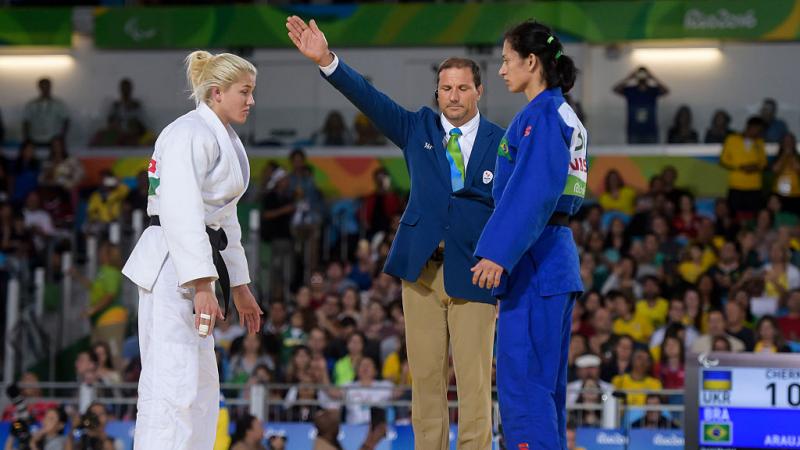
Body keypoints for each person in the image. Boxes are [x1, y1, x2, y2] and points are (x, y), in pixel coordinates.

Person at [287, 16, 504, 450]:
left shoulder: (503, 141)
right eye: (446, 88)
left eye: (463, 87)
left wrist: (503, 259)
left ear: (480, 91)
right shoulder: (417, 128)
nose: (454, 96)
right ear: (437, 92)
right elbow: (369, 98)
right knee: (424, 381)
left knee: (474, 383)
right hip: (420, 271)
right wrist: (327, 60)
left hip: (475, 271)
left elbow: (511, 210)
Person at [121, 50, 263, 450]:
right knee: (173, 382)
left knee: (200, 385)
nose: (251, 101)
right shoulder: (187, 133)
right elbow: (180, 210)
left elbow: (224, 220)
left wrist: (239, 285)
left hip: (196, 263)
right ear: (217, 92)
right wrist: (203, 283)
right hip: (173, 267)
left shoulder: (220, 136)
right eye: (245, 91)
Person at [470, 21, 586, 449]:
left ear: (531, 61)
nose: (500, 70)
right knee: (544, 386)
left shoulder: (539, 116)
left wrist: (497, 254)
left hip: (534, 261)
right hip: (551, 258)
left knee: (523, 384)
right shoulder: (561, 112)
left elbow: (533, 191)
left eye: (506, 60)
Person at [720, 116, 767, 220]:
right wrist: (740, 167)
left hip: (754, 186)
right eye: (757, 129)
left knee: (753, 218)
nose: (758, 132)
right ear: (749, 127)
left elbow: (763, 163)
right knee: (734, 217)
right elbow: (723, 161)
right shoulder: (732, 139)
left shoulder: (760, 142)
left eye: (760, 131)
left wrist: (755, 167)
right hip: (736, 185)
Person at [613, 66, 668, 144]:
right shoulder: (631, 90)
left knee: (652, 154)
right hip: (634, 131)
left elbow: (665, 90)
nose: (642, 76)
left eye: (644, 74)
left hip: (650, 131)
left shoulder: (652, 91)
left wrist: (652, 77)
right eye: (640, 74)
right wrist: (629, 77)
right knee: (633, 154)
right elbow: (616, 89)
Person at [23, 78, 69, 146]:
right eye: (43, 86)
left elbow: (66, 120)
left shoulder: (58, 104)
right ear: (39, 87)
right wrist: (27, 138)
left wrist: (62, 137)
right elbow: (26, 121)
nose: (45, 88)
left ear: (50, 87)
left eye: (47, 86)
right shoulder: (31, 104)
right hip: (35, 139)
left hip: (53, 140)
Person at [771, 132, 800, 215]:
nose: (788, 144)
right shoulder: (777, 157)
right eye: (786, 141)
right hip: (778, 194)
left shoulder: (797, 157)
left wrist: (792, 156)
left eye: (790, 141)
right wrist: (784, 156)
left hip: (796, 194)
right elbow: (775, 170)